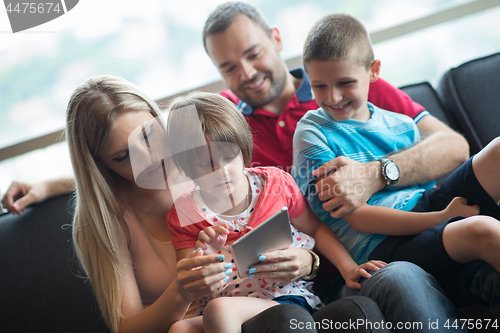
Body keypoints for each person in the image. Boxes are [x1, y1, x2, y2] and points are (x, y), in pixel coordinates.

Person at [58, 74, 323, 333]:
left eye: (149, 136)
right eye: (123, 156)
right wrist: (181, 291)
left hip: (269, 304)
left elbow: (278, 199)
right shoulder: (106, 221)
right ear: (101, 164)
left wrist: (310, 261)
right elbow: (126, 327)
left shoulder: (202, 158)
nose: (150, 159)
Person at [293, 12, 500, 317]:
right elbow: (359, 219)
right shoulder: (311, 133)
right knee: (483, 229)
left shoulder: (401, 124)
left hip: (425, 210)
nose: (333, 97)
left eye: (344, 83)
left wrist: (440, 213)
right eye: (319, 86)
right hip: (382, 245)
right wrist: (442, 217)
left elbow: (427, 189)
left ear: (373, 71)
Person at [203, 1, 469, 217]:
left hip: (412, 220)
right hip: (331, 274)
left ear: (276, 39)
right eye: (229, 68)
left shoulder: (348, 84)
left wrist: (377, 174)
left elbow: (454, 148)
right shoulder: (228, 129)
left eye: (253, 54)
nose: (247, 73)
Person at [163, 91, 385, 333]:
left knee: (218, 309)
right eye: (207, 164)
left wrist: (348, 267)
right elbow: (193, 285)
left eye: (229, 157)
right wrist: (209, 256)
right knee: (180, 329)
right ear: (185, 165)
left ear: (243, 147)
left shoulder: (275, 184)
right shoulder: (186, 211)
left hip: (282, 297)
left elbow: (316, 229)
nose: (222, 172)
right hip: (228, 307)